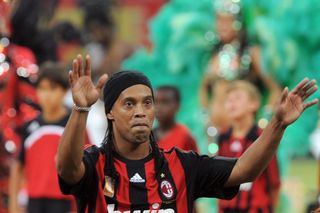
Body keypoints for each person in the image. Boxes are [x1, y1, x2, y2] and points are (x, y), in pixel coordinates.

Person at [56, 54, 317, 213]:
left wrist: (278, 124)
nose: (140, 112)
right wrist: (81, 108)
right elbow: (67, 169)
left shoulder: (181, 164)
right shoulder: (96, 164)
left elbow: (244, 171)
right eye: (129, 104)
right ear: (109, 112)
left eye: (148, 103)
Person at [199, 0, 280, 132]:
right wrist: (205, 119)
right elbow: (203, 88)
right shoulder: (213, 55)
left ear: (239, 22)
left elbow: (274, 89)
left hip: (242, 133)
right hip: (214, 134)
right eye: (219, 20)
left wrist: (263, 123)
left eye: (228, 20)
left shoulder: (251, 53)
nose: (222, 25)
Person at [9, 62, 74, 213]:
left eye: (52, 89)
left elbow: (86, 165)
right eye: (42, 89)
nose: (46, 95)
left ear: (64, 91)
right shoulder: (30, 126)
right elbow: (18, 166)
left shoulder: (74, 125)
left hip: (64, 201)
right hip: (34, 201)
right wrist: (14, 205)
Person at [217, 80, 280, 213]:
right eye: (228, 100)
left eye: (237, 98)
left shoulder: (263, 137)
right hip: (228, 208)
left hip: (256, 208)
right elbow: (219, 179)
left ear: (254, 104)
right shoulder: (222, 138)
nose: (231, 103)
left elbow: (274, 182)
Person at [154, 85, 199, 152]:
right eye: (155, 102)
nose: (159, 107)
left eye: (165, 102)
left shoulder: (185, 137)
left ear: (178, 105)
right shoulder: (149, 136)